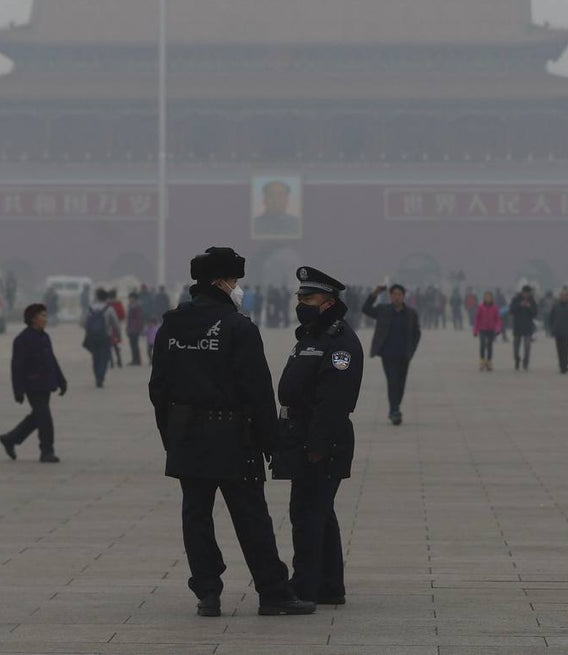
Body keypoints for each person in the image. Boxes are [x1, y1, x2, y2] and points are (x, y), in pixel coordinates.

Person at [148, 246, 314, 617]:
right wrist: (271, 442)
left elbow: (158, 386)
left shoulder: (172, 325)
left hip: (187, 436)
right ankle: (273, 592)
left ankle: (207, 591)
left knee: (196, 517)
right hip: (234, 437)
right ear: (221, 282)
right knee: (252, 516)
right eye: (235, 280)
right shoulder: (238, 327)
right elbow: (257, 390)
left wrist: (170, 436)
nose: (237, 286)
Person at [272, 266, 364, 607]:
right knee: (320, 512)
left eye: (308, 298)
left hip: (322, 439)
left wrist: (318, 445)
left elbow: (334, 401)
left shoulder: (339, 342)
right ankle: (329, 584)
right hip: (302, 434)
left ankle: (305, 585)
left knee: (307, 513)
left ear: (328, 302)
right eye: (299, 297)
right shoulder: (312, 335)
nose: (301, 303)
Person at [0, 303, 67, 463]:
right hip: (33, 385)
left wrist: (61, 380)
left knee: (37, 417)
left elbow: (52, 360)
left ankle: (10, 439)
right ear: (33, 319)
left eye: (46, 315)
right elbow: (17, 367)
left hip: (46, 384)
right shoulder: (22, 340)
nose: (46, 319)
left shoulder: (45, 337)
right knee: (45, 418)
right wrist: (18, 390)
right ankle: (47, 451)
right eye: (42, 316)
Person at [362, 283, 421, 426]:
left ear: (403, 296)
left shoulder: (411, 313)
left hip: (404, 355)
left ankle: (395, 407)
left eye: (399, 295)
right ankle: (395, 410)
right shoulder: (383, 310)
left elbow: (416, 333)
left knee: (400, 384)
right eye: (394, 294)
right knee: (392, 382)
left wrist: (411, 350)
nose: (396, 297)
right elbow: (366, 309)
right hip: (388, 354)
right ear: (390, 296)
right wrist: (374, 294)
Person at [82, 289, 121, 388]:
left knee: (95, 357)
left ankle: (97, 376)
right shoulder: (109, 309)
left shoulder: (90, 308)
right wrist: (118, 335)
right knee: (104, 358)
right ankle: (100, 377)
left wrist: (89, 331)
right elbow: (115, 323)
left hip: (92, 337)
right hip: (105, 336)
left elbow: (83, 322)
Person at [547, 288, 568, 374]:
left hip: (567, 332)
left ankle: (565, 365)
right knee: (559, 349)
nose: (564, 297)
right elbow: (550, 318)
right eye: (562, 296)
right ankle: (561, 364)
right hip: (558, 331)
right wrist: (551, 329)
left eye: (566, 296)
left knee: (566, 349)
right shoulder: (556, 306)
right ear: (560, 297)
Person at [509, 285, 538, 371]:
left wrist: (529, 307)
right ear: (522, 292)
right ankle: (517, 359)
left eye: (528, 293)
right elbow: (511, 310)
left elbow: (535, 313)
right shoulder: (516, 299)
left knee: (527, 346)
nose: (526, 295)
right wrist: (520, 305)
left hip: (528, 327)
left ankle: (526, 361)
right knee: (516, 346)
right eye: (525, 293)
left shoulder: (532, 301)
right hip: (517, 326)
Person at [473, 290, 502, 371]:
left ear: (492, 298)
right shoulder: (480, 307)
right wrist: (475, 330)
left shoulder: (495, 308)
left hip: (491, 329)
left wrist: (498, 328)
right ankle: (482, 360)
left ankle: (489, 361)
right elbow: (477, 319)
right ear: (484, 298)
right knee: (482, 344)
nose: (488, 298)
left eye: (489, 297)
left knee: (489, 345)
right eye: (486, 297)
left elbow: (498, 319)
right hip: (482, 329)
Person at [126, 291, 146, 366]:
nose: (130, 299)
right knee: (133, 345)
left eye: (131, 297)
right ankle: (135, 359)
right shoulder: (131, 306)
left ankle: (137, 360)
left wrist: (138, 328)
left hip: (135, 328)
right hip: (131, 328)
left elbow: (139, 319)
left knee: (134, 345)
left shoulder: (137, 306)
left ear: (134, 298)